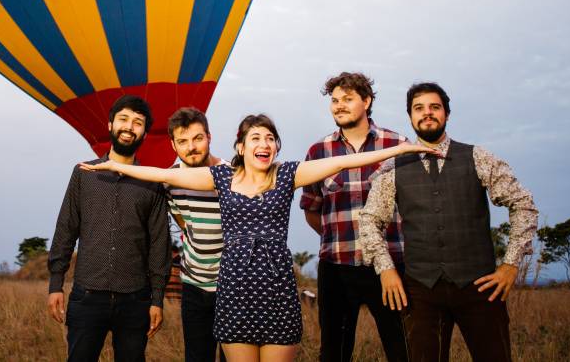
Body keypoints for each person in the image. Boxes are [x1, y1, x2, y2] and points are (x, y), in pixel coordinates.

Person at [81, 113, 438, 362]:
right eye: (256, 138)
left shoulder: (288, 176)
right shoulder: (221, 178)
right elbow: (164, 175)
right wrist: (115, 165)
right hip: (234, 292)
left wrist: (401, 149)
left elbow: (347, 163)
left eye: (270, 138)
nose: (264, 143)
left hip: (277, 291)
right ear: (241, 147)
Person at [357, 82, 539, 362]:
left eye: (435, 107)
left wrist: (510, 265)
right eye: (419, 108)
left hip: (480, 286)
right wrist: (385, 269)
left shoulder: (478, 157)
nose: (427, 113)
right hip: (420, 289)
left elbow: (523, 203)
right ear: (410, 116)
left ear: (447, 114)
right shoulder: (394, 166)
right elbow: (369, 220)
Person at [46, 95, 171, 361]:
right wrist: (56, 283)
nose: (129, 127)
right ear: (110, 124)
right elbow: (66, 229)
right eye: (123, 119)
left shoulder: (153, 182)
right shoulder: (84, 174)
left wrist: (157, 299)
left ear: (145, 133)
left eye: (138, 123)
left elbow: (160, 242)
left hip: (135, 300)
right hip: (87, 295)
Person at [300, 72, 409, 361]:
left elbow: (415, 204)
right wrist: (336, 239)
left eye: (348, 99)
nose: (339, 105)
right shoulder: (318, 151)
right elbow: (312, 208)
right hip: (337, 267)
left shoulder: (397, 144)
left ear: (367, 101)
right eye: (335, 100)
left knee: (403, 347)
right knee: (334, 351)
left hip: (390, 265)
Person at [163, 108, 227, 362]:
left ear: (209, 137)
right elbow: (184, 223)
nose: (191, 147)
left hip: (232, 285)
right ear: (173, 144)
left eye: (198, 138)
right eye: (183, 141)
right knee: (196, 356)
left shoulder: (232, 175)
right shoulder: (169, 180)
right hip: (193, 285)